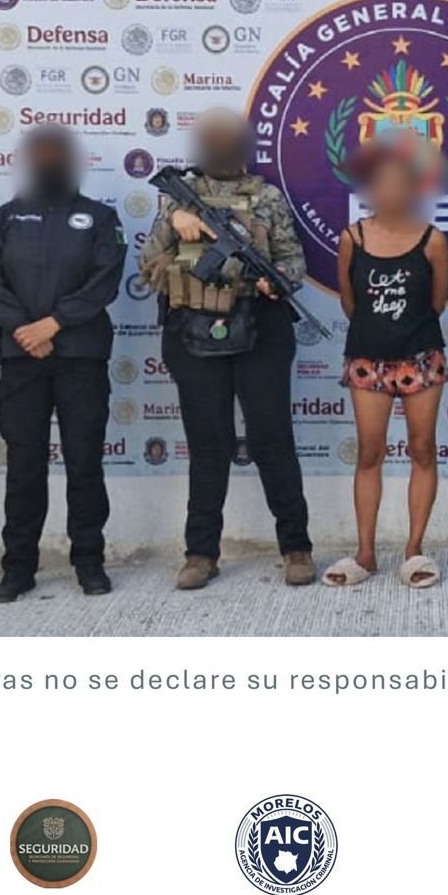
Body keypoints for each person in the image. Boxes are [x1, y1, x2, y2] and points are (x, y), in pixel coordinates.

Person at [140, 108, 315, 589]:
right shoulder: (178, 198)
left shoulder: (267, 197)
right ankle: (201, 553)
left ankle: (296, 547)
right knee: (208, 443)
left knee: (272, 438)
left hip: (260, 327)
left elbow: (293, 260)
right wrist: (176, 220)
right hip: (193, 329)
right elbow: (148, 261)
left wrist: (278, 283)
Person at [0, 125, 125, 600]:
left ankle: (89, 562)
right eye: (40, 152)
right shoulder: (5, 217)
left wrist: (55, 323)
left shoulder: (99, 217)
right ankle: (19, 567)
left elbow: (104, 282)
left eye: (57, 152)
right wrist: (26, 330)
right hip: (22, 359)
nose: (49, 159)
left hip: (81, 358)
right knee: (24, 467)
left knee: (84, 463)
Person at [325, 133, 448, 588]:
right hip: (367, 360)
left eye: (400, 183)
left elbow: (437, 303)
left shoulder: (433, 240)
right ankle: (365, 553)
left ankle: (414, 551)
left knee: (422, 449)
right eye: (381, 184)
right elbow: (349, 301)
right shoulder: (352, 238)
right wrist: (377, 336)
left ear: (415, 188)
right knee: (369, 452)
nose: (390, 192)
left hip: (421, 359)